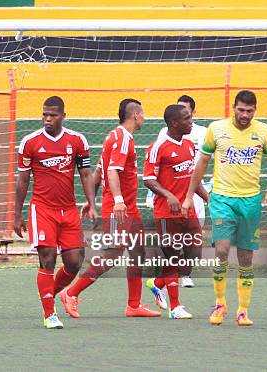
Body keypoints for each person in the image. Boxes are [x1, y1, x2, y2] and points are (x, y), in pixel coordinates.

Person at [182, 90, 267, 326]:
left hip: (250, 201)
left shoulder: (264, 131)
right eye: (241, 110)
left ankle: (243, 310)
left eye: (249, 111)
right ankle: (219, 304)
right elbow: (201, 164)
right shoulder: (216, 130)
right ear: (233, 108)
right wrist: (188, 196)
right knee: (223, 250)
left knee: (246, 257)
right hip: (222, 199)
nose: (245, 114)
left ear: (254, 110)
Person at [61, 99, 162, 319]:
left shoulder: (113, 137)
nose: (144, 117)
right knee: (113, 253)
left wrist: (91, 200)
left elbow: (99, 171)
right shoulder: (123, 138)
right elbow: (113, 171)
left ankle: (134, 305)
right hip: (119, 208)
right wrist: (117, 200)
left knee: (138, 252)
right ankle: (71, 292)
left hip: (128, 207)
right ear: (135, 114)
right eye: (142, 113)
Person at [14, 96, 97, 329]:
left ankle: (50, 294)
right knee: (48, 259)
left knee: (74, 262)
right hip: (42, 209)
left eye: (52, 115)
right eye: (44, 115)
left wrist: (91, 203)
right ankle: (49, 314)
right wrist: (17, 215)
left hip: (69, 209)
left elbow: (85, 174)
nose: (47, 119)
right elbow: (22, 180)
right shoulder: (30, 142)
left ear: (63, 116)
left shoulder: (77, 141)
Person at [143, 104, 210, 319]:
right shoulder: (158, 146)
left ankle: (158, 283)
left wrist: (209, 199)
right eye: (187, 119)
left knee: (194, 253)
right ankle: (175, 307)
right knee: (172, 256)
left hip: (187, 210)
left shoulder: (190, 145)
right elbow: (148, 179)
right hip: (166, 212)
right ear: (174, 123)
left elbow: (193, 177)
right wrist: (168, 195)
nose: (191, 122)